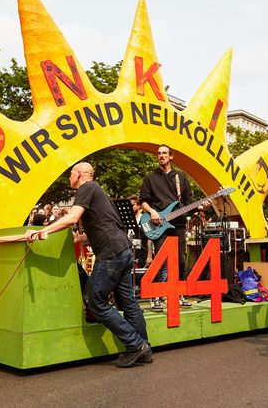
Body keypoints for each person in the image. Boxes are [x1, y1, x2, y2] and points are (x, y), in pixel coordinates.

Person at [25, 162, 151, 367]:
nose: (69, 178)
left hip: (111, 253)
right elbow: (106, 226)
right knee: (128, 302)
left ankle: (136, 345)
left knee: (96, 303)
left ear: (79, 174)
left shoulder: (86, 188)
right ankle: (145, 349)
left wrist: (42, 231)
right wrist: (80, 238)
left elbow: (72, 217)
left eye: (71, 174)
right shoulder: (99, 191)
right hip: (123, 249)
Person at [139, 145, 206, 311]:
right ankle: (155, 297)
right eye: (159, 153)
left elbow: (189, 203)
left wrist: (202, 206)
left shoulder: (180, 178)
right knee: (160, 260)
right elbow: (143, 201)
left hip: (178, 224)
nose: (161, 156)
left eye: (164, 153)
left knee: (180, 261)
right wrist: (152, 211)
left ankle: (180, 295)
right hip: (158, 224)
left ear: (171, 156)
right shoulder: (150, 178)